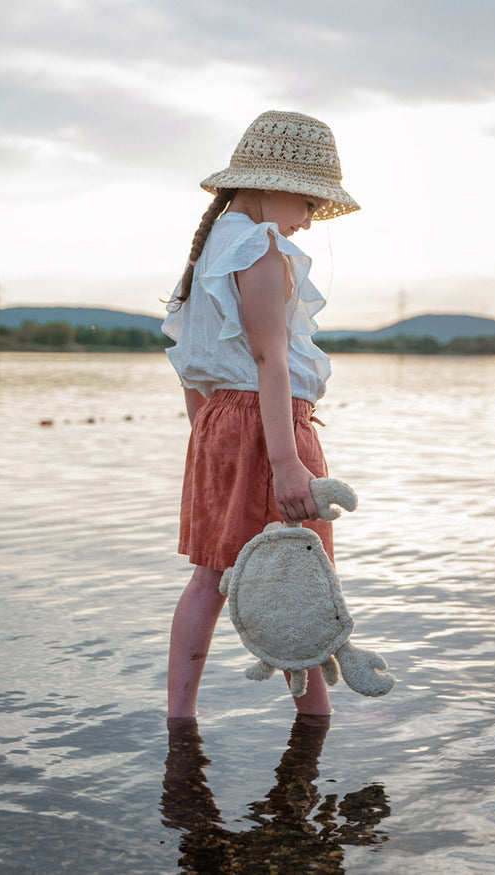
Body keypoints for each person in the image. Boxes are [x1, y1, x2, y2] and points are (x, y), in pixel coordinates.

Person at [162, 110, 359, 719]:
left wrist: (208, 435)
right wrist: (286, 463)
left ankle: (180, 718)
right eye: (305, 202)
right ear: (270, 185)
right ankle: (315, 720)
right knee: (298, 575)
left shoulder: (211, 250)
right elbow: (271, 359)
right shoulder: (261, 250)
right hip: (267, 427)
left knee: (208, 577)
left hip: (218, 423)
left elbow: (193, 366)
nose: (305, 220)